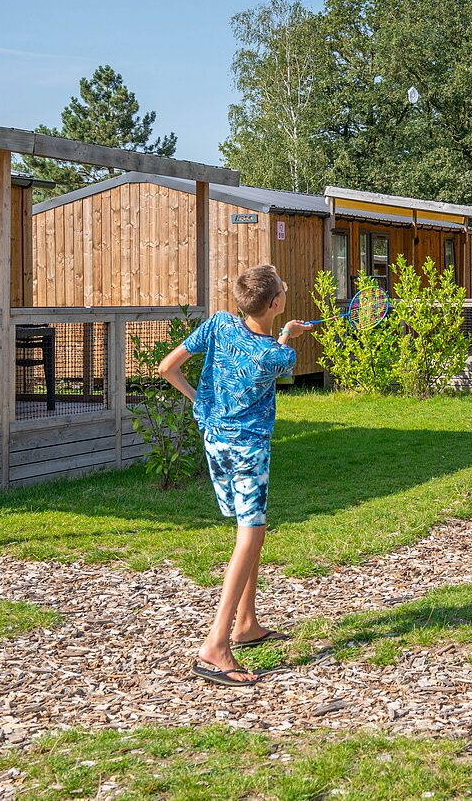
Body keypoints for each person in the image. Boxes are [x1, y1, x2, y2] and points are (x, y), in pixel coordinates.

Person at [158, 264, 309, 687]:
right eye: (282, 288)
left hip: (214, 441)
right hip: (247, 450)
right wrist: (287, 335)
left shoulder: (219, 324)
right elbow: (273, 355)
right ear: (276, 303)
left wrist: (200, 400)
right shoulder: (279, 355)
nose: (285, 289)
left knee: (248, 528)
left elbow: (167, 368)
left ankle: (247, 624)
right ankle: (216, 645)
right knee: (251, 534)